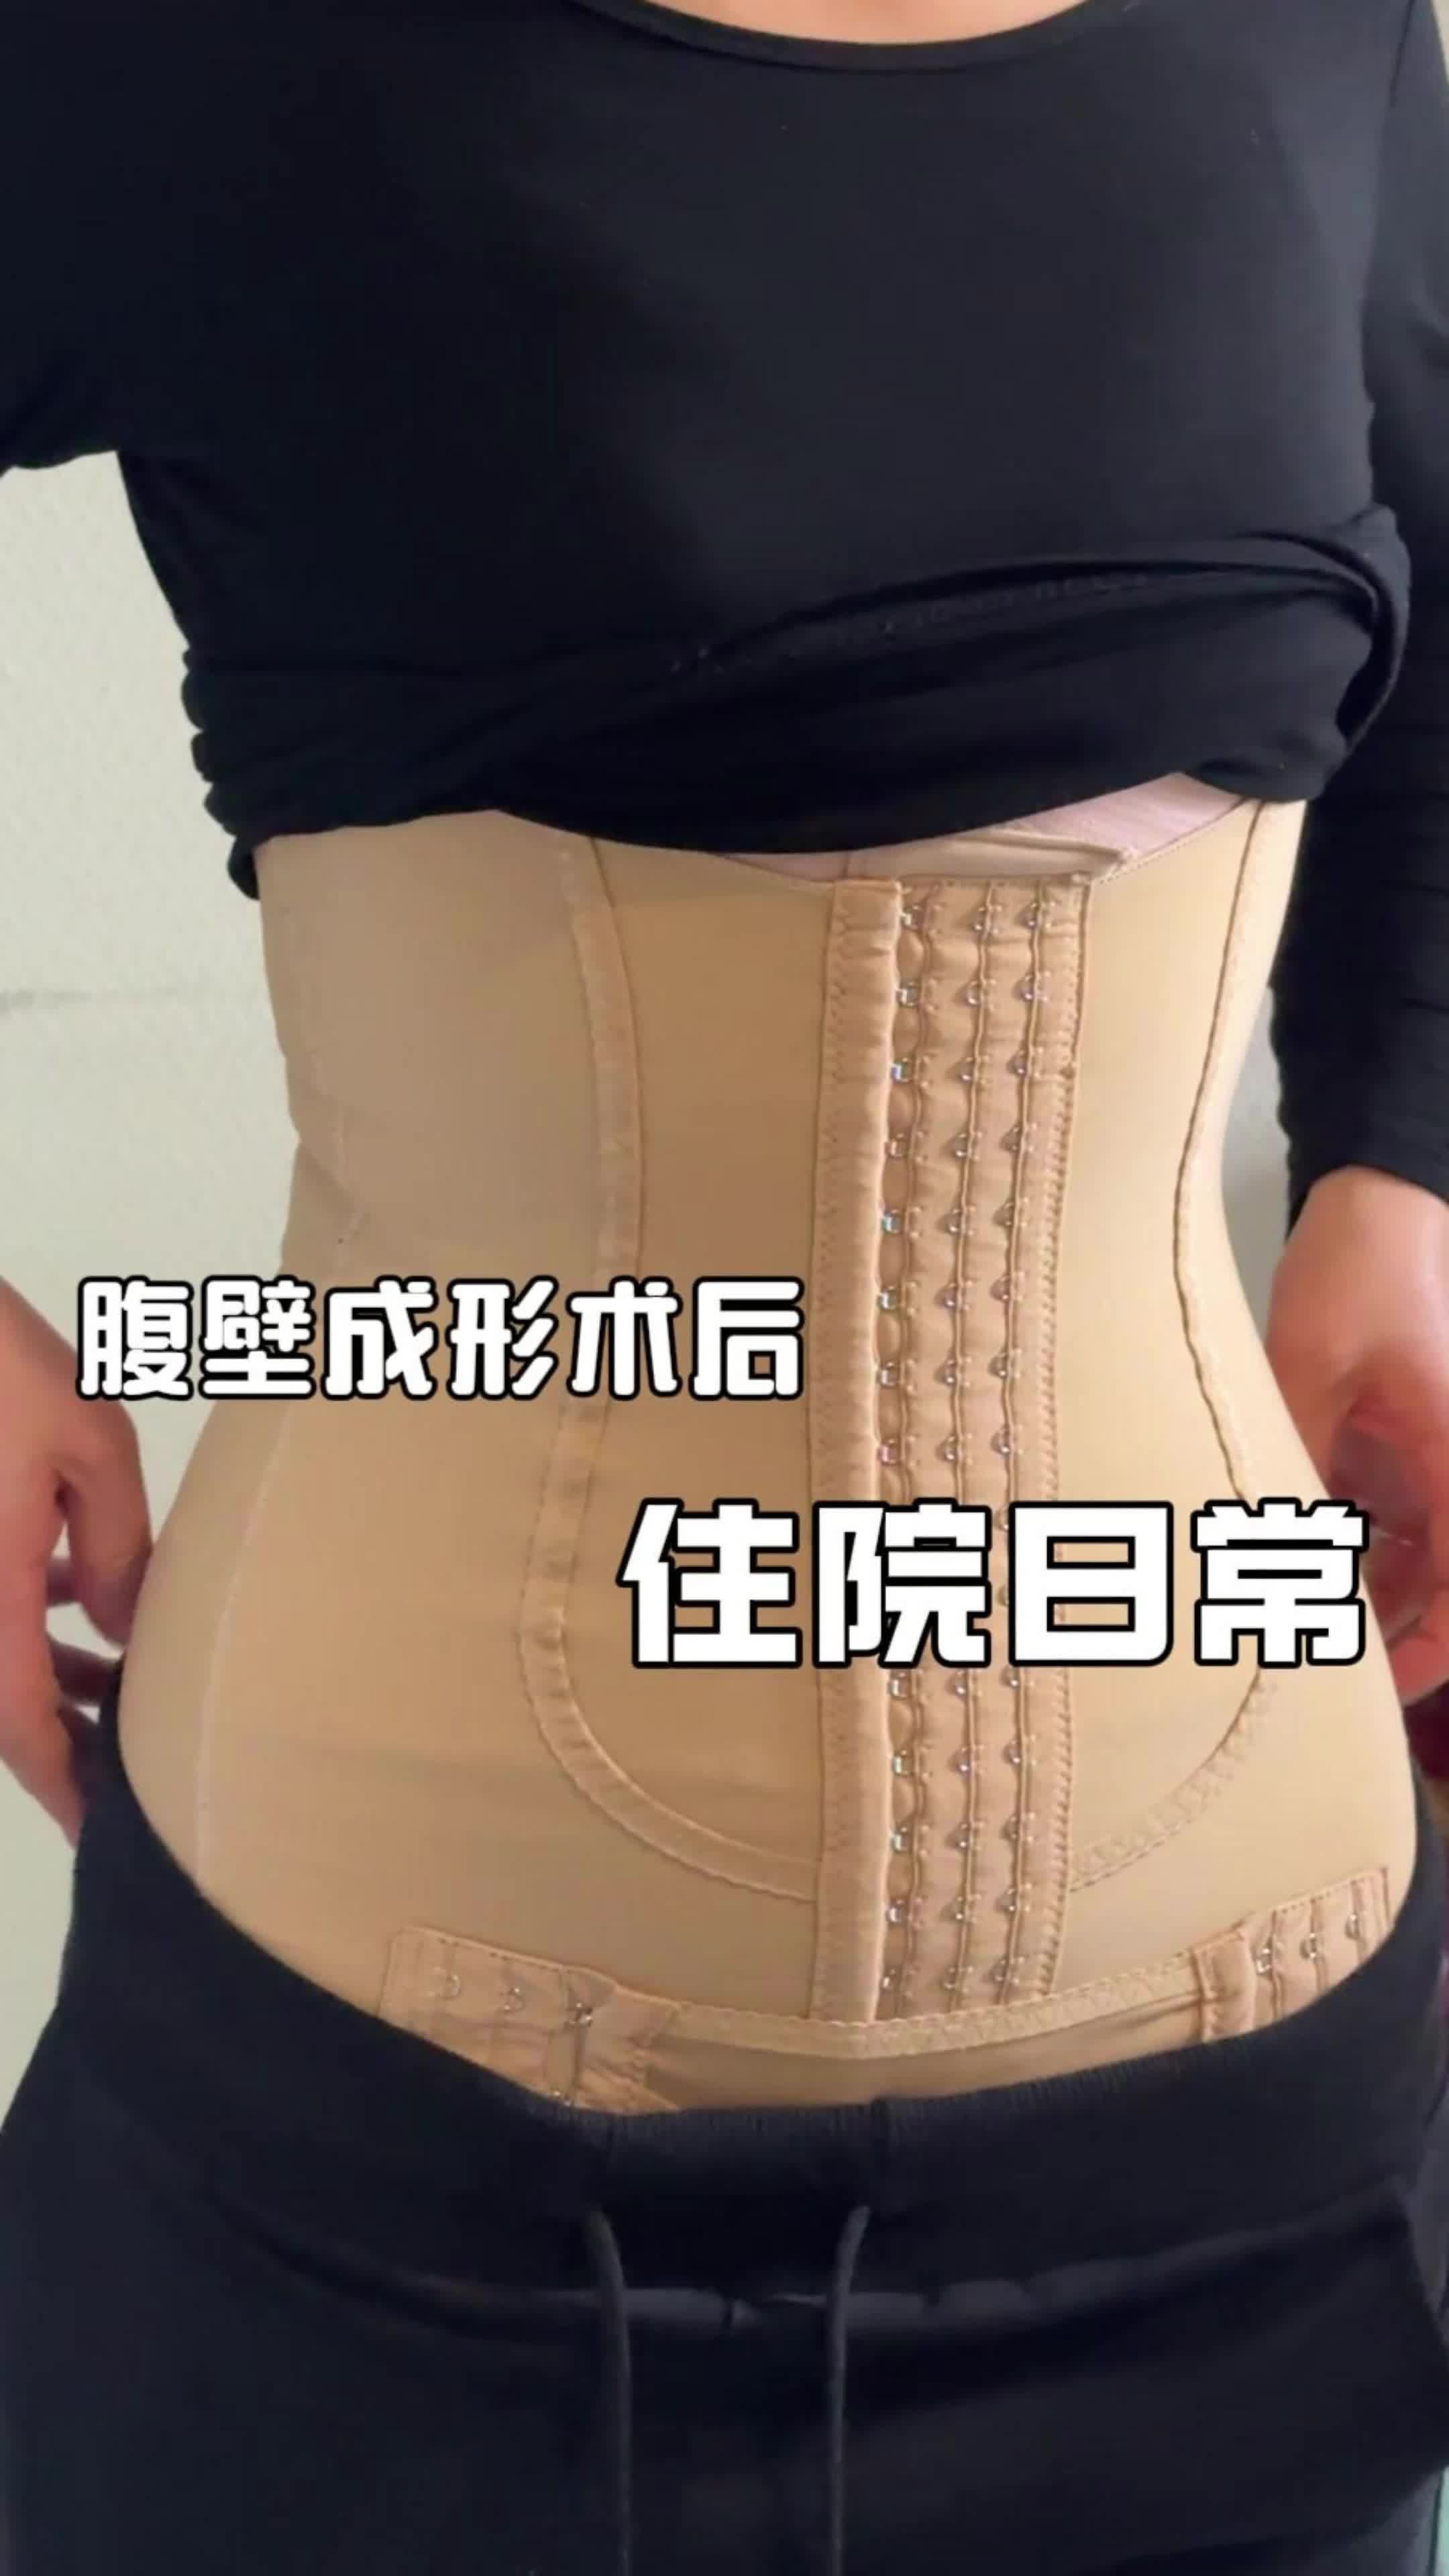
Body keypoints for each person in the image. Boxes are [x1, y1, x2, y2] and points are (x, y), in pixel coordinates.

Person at [3, 0, 1449, 2567]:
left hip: (1260, 2163)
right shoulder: (178, 46)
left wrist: (1401, 1175)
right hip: (386, 2173)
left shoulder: (1321, 20)